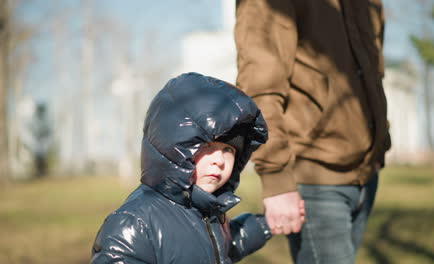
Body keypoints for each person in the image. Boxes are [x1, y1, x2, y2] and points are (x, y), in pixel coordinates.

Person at [234, 0, 392, 263]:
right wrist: (276, 177)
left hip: (367, 172)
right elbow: (260, 89)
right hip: (312, 179)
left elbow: (372, 72)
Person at [91, 72, 273, 264]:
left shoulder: (208, 211)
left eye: (228, 149)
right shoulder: (134, 223)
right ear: (174, 148)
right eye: (207, 146)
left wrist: (265, 224)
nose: (219, 160)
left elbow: (220, 248)